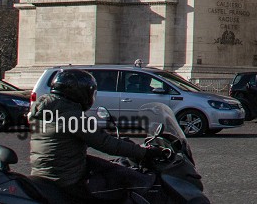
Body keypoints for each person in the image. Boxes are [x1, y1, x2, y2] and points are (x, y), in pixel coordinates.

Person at [29, 68, 166, 202]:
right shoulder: (71, 116)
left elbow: (68, 140)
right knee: (125, 183)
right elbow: (106, 144)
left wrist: (123, 143)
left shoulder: (46, 110)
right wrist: (145, 152)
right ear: (78, 92)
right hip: (66, 178)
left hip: (48, 169)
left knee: (110, 166)